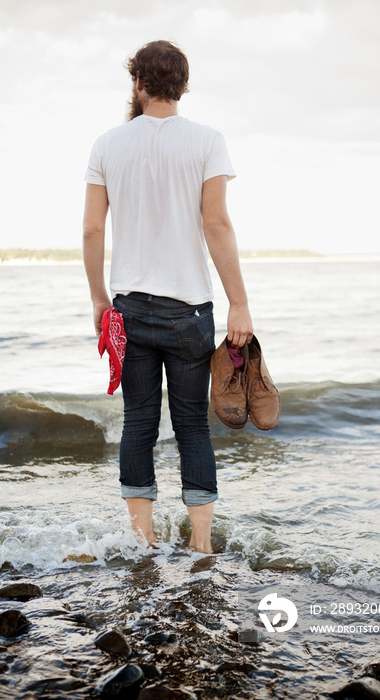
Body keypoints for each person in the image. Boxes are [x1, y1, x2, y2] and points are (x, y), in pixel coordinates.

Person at [83, 40, 253, 554]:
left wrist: (98, 300)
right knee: (191, 428)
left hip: (129, 307)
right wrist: (239, 303)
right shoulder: (206, 140)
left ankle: (146, 543)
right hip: (189, 311)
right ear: (182, 86)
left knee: (139, 422)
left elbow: (93, 229)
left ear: (137, 82)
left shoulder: (108, 144)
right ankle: (201, 545)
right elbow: (216, 223)